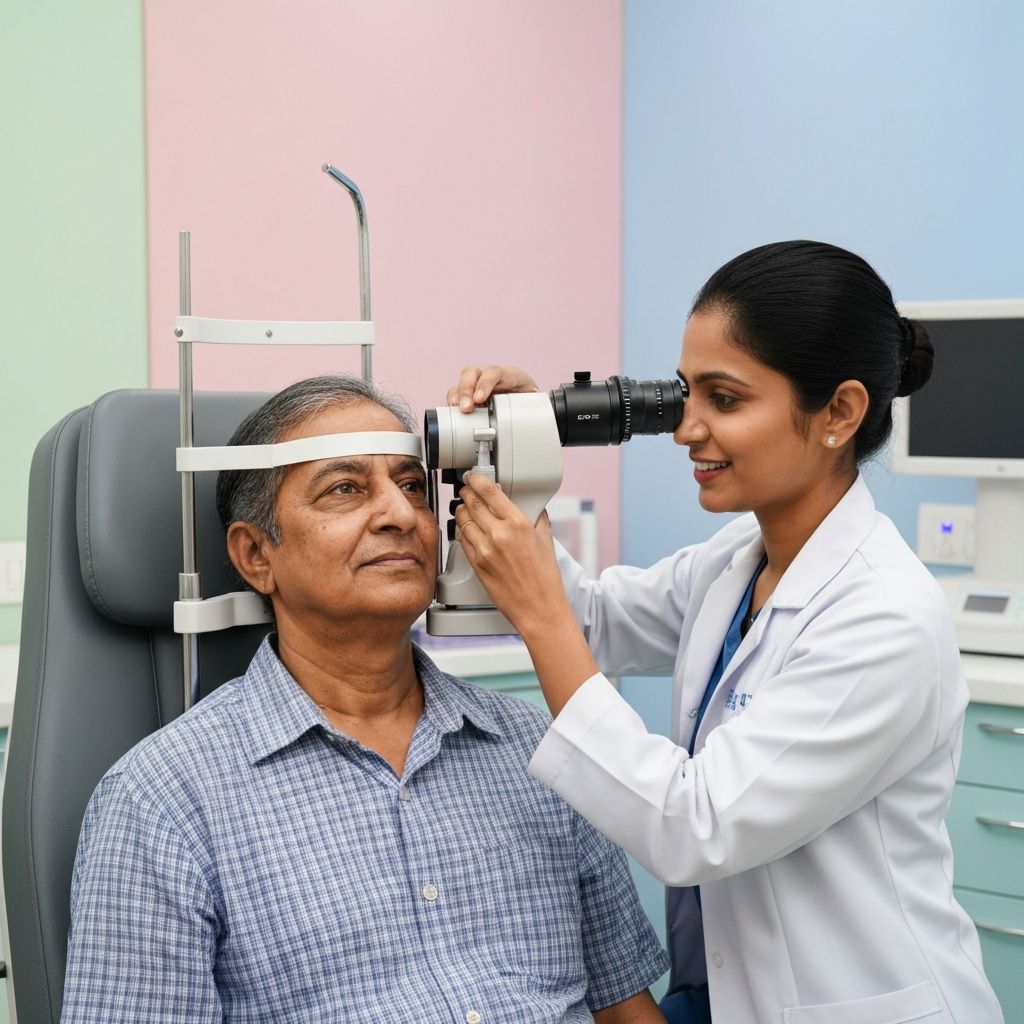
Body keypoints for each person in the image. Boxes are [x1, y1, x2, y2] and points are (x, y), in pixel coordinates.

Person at [447, 241, 1005, 1024]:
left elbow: (695, 826)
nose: (686, 429)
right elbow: (598, 619)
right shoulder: (738, 561)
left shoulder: (884, 618)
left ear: (840, 413)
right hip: (727, 996)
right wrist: (521, 458)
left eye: (725, 399)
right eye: (685, 394)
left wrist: (541, 619)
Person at [61, 375, 670, 1023]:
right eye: (345, 488)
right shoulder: (164, 801)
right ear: (254, 556)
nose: (401, 514)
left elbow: (624, 1009)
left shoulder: (543, 753)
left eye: (412, 486)